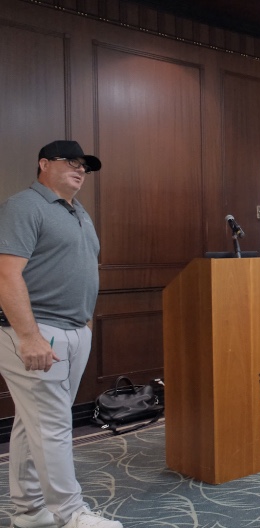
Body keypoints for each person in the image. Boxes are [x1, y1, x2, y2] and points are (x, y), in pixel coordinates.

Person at [0, 141, 122, 528]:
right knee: (52, 425)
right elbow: (6, 275)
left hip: (73, 330)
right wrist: (29, 336)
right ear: (43, 164)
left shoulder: (77, 211)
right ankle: (71, 514)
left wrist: (85, 324)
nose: (80, 169)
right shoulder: (24, 206)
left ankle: (29, 511)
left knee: (33, 423)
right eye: (71, 161)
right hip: (37, 331)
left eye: (85, 165)